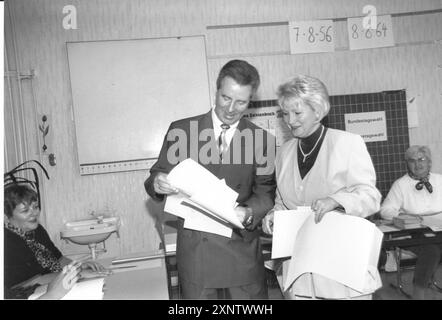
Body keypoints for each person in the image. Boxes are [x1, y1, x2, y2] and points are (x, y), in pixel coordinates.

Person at [144, 59, 276, 299]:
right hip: (197, 257)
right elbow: (155, 175)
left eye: (241, 102)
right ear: (216, 91)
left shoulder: (261, 140)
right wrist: (158, 181)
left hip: (242, 254)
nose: (231, 108)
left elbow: (266, 193)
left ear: (251, 102)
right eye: (226, 98)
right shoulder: (182, 131)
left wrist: (247, 212)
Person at [262, 74, 382, 299]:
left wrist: (337, 200)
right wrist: (273, 216)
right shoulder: (284, 153)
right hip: (299, 269)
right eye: (285, 114)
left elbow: (370, 196)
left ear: (317, 111)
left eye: (297, 113)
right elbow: (283, 201)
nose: (290, 120)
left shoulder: (347, 143)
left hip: (341, 267)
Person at [4, 184, 109, 299]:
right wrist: (76, 275)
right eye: (25, 211)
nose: (34, 213)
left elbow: (60, 259)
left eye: (35, 207)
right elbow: (23, 285)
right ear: (7, 215)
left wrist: (79, 266)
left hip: (54, 284)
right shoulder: (7, 243)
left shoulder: (38, 230)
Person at [380, 145, 442, 299]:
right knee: (431, 250)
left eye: (421, 159)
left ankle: (427, 280)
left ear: (429, 162)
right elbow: (385, 210)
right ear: (407, 164)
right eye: (412, 161)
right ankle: (418, 293)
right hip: (412, 232)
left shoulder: (440, 179)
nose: (418, 164)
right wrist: (404, 217)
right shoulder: (400, 184)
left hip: (439, 229)